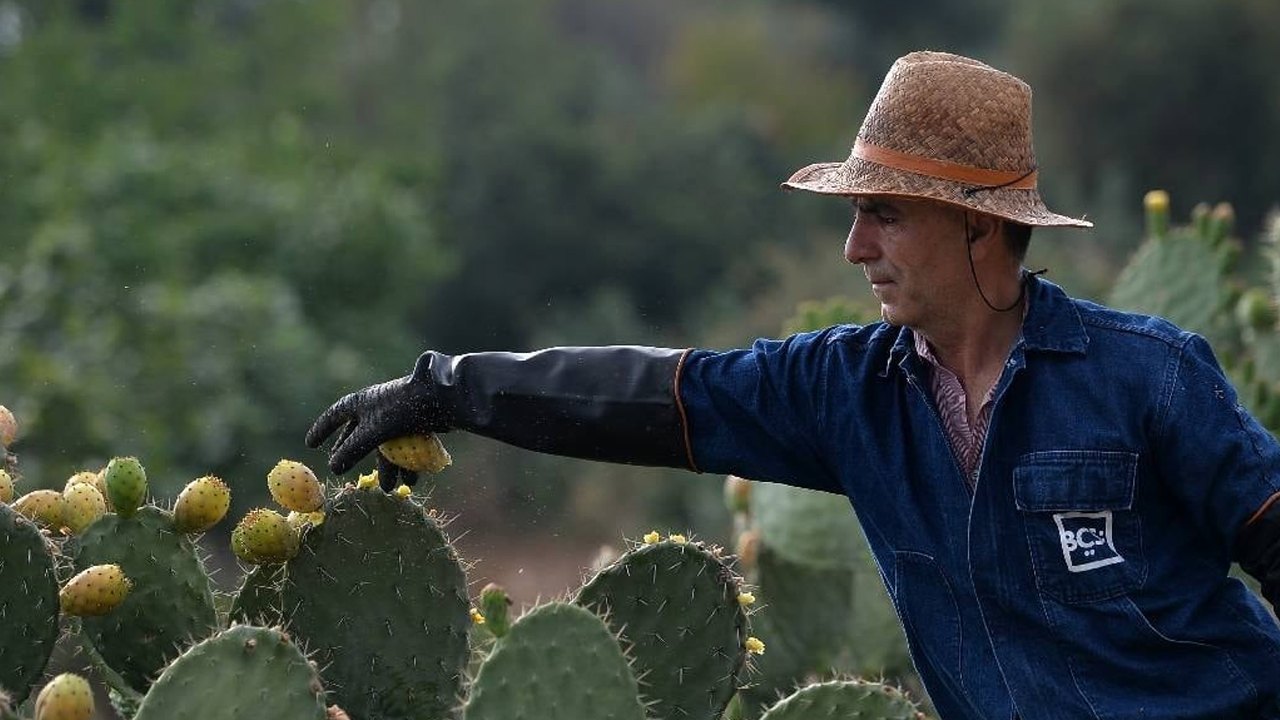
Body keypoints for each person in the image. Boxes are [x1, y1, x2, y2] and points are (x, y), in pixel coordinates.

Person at [306, 51, 1280, 718]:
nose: (855, 247)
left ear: (979, 226)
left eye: (885, 216)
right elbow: (651, 393)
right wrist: (451, 389)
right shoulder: (840, 392)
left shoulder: (1147, 374)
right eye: (854, 216)